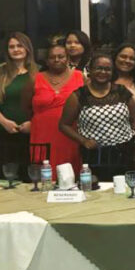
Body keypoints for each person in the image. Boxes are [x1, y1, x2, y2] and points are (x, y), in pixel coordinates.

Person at [59, 53, 135, 179]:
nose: (103, 72)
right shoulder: (78, 96)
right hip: (95, 155)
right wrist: (83, 141)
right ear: (90, 70)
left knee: (126, 191)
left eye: (107, 69)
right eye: (98, 68)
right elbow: (64, 125)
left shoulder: (122, 92)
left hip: (125, 153)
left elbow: (134, 120)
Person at [23, 43, 84, 178]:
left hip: (71, 135)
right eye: (52, 57)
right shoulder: (35, 79)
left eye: (61, 56)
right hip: (42, 135)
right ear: (46, 61)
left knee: (71, 174)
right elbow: (26, 106)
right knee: (43, 175)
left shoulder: (80, 77)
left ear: (68, 58)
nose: (56, 60)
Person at [0, 32, 37, 180]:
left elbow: (45, 104)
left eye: (20, 45)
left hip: (30, 134)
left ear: (27, 48)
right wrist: (4, 122)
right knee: (1, 180)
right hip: (1, 134)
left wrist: (34, 123)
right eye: (11, 46)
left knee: (29, 180)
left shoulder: (39, 73)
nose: (16, 49)